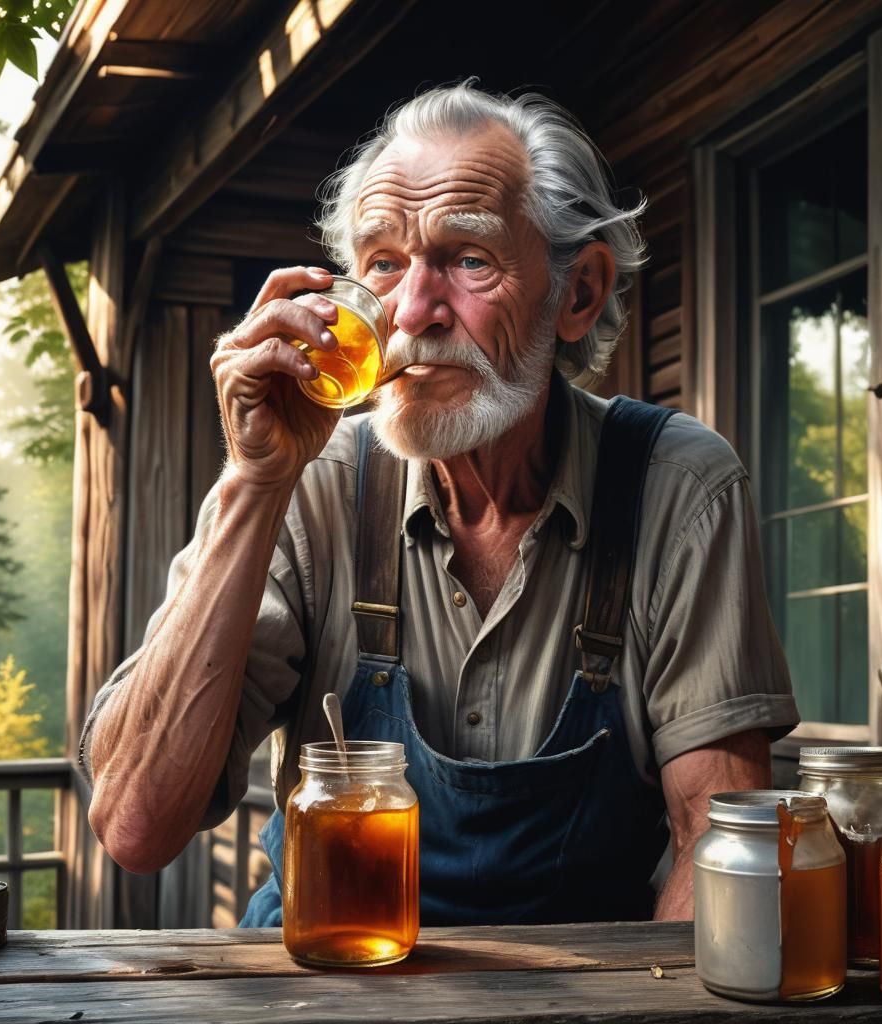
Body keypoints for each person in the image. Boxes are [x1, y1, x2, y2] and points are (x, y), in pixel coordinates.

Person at [79, 82, 799, 925]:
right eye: (382, 263)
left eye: (468, 259)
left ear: (579, 294)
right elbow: (136, 826)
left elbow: (717, 842)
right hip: (323, 986)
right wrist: (251, 482)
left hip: (580, 1001)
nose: (412, 314)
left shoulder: (677, 487)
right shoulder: (307, 487)